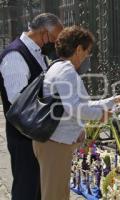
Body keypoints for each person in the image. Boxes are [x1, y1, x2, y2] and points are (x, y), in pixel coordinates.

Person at [32, 26, 120, 200]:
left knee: (59, 194)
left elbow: (81, 104)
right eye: (87, 51)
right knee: (54, 195)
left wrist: (113, 100)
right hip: (55, 144)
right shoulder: (66, 71)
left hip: (55, 142)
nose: (87, 56)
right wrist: (101, 116)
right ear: (78, 49)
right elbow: (75, 108)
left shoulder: (59, 68)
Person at [0, 13, 63, 200]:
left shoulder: (39, 53)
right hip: (23, 139)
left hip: (36, 136)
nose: (55, 44)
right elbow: (19, 101)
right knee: (26, 189)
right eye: (54, 39)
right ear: (44, 33)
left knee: (38, 189)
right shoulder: (15, 55)